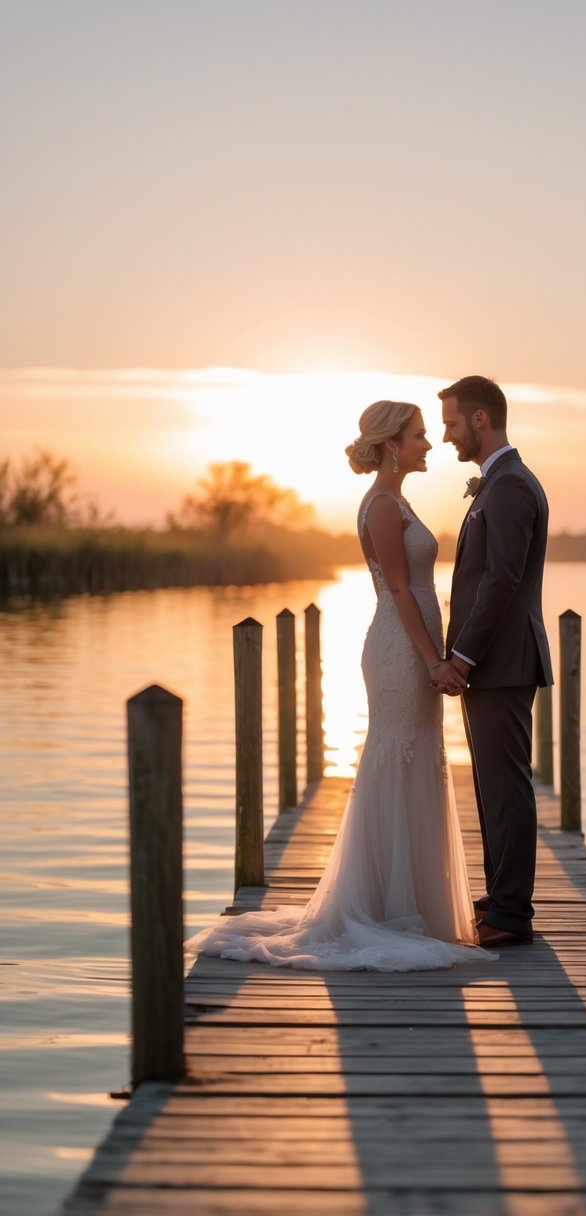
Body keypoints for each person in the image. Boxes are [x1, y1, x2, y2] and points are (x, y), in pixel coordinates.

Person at [187, 401, 494, 971]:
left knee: (418, 758)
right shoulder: (381, 505)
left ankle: (410, 904)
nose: (428, 444)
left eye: (428, 434)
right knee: (398, 756)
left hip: (414, 647)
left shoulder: (398, 501)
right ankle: (382, 907)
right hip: (401, 652)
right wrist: (433, 660)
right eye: (419, 436)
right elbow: (400, 592)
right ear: (392, 445)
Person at [438, 375, 553, 948]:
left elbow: (502, 579)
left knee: (506, 785)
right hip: (492, 662)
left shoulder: (508, 487)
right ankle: (499, 895)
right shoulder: (497, 483)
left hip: (502, 660)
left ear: (481, 421)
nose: (447, 435)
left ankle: (512, 913)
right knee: (490, 783)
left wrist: (461, 655)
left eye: (453, 424)